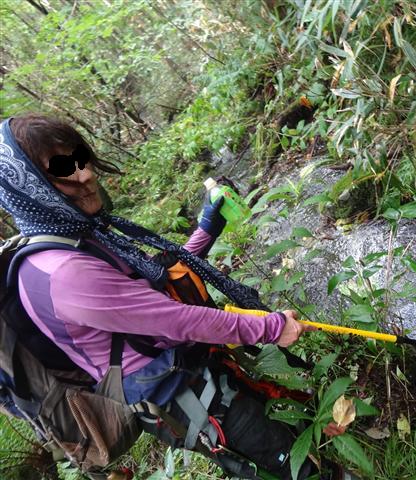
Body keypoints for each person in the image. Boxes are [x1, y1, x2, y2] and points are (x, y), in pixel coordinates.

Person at [0, 114, 322, 479]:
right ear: (27, 186)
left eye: (81, 159)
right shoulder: (65, 272)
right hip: (183, 396)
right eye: (63, 168)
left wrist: (206, 229)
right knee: (294, 467)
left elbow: (154, 285)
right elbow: (175, 319)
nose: (85, 174)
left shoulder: (72, 238)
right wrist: (269, 328)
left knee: (295, 438)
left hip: (191, 372)